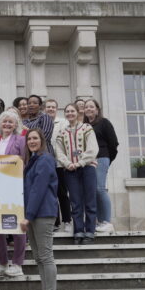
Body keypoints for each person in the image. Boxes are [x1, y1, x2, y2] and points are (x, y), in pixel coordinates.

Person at [20, 128, 58, 290]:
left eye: (35, 138)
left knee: (45, 256)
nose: (32, 141)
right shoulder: (34, 160)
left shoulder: (45, 159)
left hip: (43, 213)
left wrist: (28, 216)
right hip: (35, 214)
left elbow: (38, 189)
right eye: (29, 139)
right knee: (39, 258)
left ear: (42, 140)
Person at [0, 111, 26, 277]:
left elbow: (25, 163)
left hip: (14, 189)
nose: (7, 124)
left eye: (11, 122)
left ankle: (17, 264)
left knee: (16, 226)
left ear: (16, 124)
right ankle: (2, 262)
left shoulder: (20, 140)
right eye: (5, 122)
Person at [56, 103, 98, 245]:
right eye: (67, 111)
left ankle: (90, 231)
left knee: (90, 201)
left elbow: (93, 149)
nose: (70, 113)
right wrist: (68, 164)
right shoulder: (62, 132)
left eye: (72, 111)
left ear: (77, 112)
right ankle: (78, 230)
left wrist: (80, 163)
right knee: (75, 201)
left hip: (87, 168)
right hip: (70, 170)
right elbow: (59, 151)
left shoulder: (87, 128)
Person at [84, 99, 119, 233]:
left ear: (97, 109)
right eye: (86, 107)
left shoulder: (104, 123)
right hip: (89, 160)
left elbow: (113, 143)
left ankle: (107, 221)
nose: (89, 109)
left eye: (91, 107)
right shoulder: (84, 125)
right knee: (92, 190)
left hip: (102, 158)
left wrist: (107, 159)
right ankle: (99, 221)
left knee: (100, 188)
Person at [44, 99, 72, 233]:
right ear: (45, 108)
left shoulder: (63, 122)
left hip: (60, 164)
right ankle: (55, 222)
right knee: (51, 193)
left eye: (53, 107)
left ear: (56, 109)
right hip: (47, 163)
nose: (50, 109)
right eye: (48, 107)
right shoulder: (42, 122)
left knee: (62, 193)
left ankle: (67, 221)